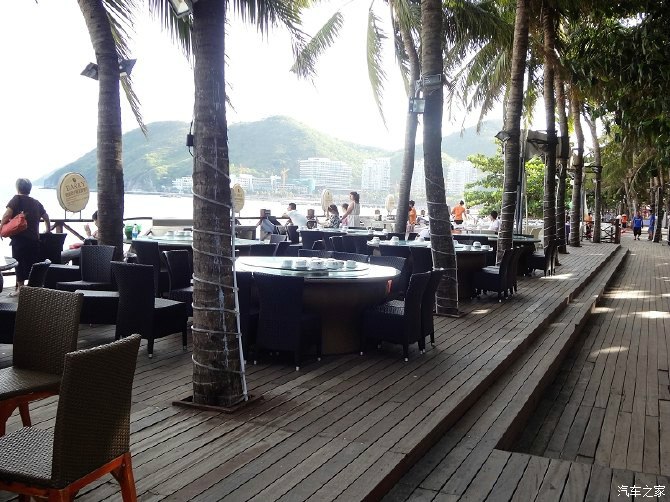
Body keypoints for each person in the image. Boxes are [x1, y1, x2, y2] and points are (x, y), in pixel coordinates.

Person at [0, 178, 50, 296]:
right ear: (29, 189)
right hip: (34, 240)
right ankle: (33, 289)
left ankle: (20, 290)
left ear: (17, 188)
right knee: (32, 264)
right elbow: (46, 216)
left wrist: (1, 226)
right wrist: (48, 230)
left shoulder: (16, 199)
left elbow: (7, 214)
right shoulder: (36, 202)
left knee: (19, 264)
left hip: (20, 239)